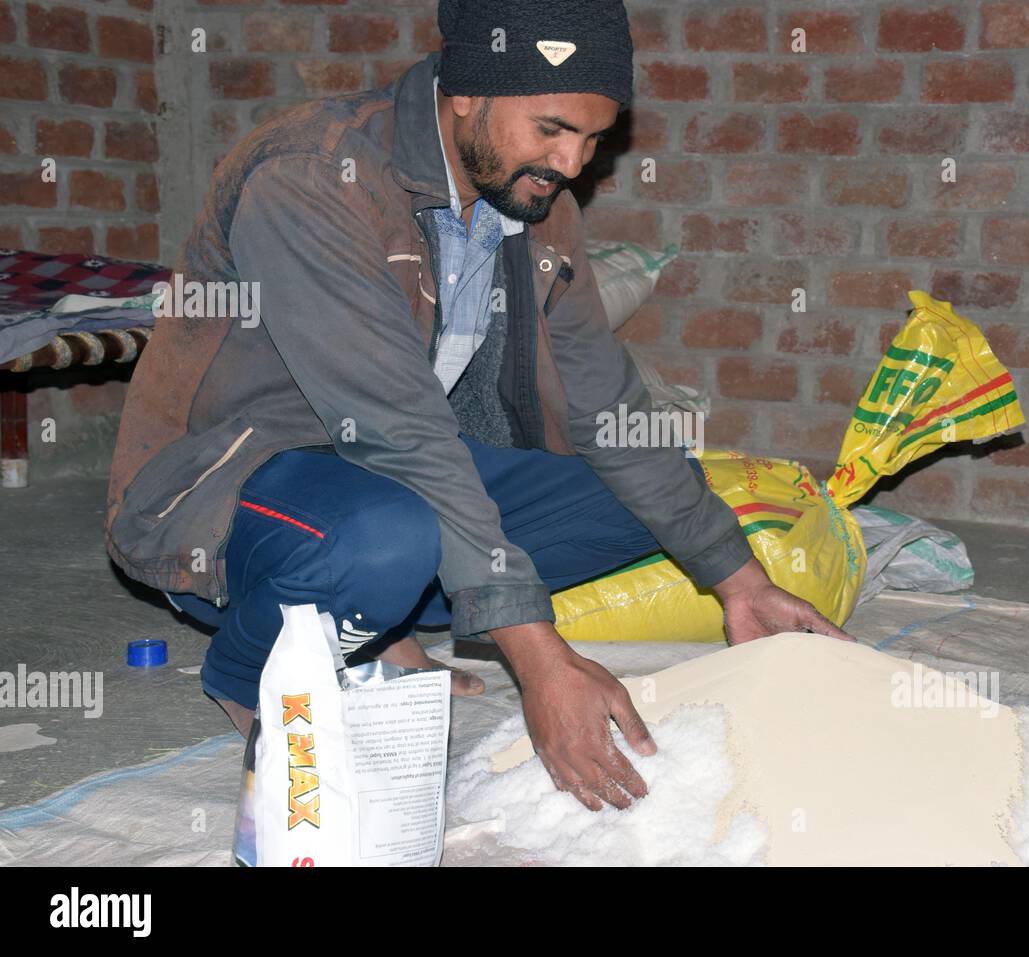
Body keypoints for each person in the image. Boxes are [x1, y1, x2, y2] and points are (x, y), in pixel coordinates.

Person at [105, 0, 852, 813]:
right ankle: (250, 665)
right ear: (467, 91)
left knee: (643, 497)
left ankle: (374, 619)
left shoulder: (533, 202)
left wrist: (737, 577)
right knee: (389, 533)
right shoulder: (314, 176)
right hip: (230, 490)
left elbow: (610, 405)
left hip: (390, 468)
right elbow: (400, 434)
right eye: (553, 129)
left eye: (595, 140)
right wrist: (538, 660)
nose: (572, 162)